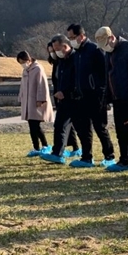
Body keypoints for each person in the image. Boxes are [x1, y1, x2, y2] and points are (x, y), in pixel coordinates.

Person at [96, 26, 128, 172]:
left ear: (111, 38)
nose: (105, 48)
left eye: (106, 44)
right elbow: (107, 74)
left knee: (127, 127)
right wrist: (106, 96)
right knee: (119, 129)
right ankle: (124, 160)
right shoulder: (108, 52)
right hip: (116, 95)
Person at [66, 23, 116, 168]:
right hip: (81, 97)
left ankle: (109, 156)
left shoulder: (95, 50)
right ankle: (86, 157)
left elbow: (105, 73)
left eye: (73, 37)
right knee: (83, 129)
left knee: (100, 128)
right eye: (69, 38)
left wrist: (102, 94)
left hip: (96, 97)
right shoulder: (77, 53)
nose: (71, 40)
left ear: (81, 36)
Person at [41, 36, 84, 165]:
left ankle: (86, 154)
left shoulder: (76, 58)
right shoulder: (62, 60)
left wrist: (65, 92)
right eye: (52, 51)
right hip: (63, 100)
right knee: (59, 125)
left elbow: (77, 80)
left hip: (75, 99)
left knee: (81, 128)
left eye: (56, 49)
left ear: (65, 46)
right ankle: (57, 153)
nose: (54, 53)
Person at [17, 50, 54, 157]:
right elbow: (22, 86)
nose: (22, 64)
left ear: (28, 59)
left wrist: (41, 99)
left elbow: (42, 85)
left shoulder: (38, 69)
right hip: (28, 102)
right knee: (33, 125)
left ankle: (43, 146)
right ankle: (39, 147)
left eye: (23, 61)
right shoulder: (25, 71)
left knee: (35, 126)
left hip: (36, 102)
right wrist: (21, 97)